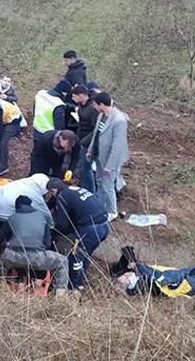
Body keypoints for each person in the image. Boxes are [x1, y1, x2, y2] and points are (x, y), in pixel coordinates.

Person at [0, 195, 70, 296]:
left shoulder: (11, 218)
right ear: (30, 205)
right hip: (37, 258)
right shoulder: (42, 218)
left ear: (16, 207)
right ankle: (60, 297)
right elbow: (47, 244)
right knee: (63, 261)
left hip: (15, 258)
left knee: (2, 262)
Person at [46, 178, 109, 291]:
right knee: (85, 254)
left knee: (76, 257)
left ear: (54, 190)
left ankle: (72, 286)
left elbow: (62, 223)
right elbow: (50, 204)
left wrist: (53, 233)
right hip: (104, 226)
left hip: (90, 229)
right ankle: (80, 282)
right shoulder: (74, 190)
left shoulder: (62, 196)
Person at [88, 92, 129, 220]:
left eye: (95, 104)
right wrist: (91, 150)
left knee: (108, 185)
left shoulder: (119, 120)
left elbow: (118, 147)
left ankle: (112, 211)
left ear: (101, 104)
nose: (94, 106)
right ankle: (100, 206)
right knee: (100, 182)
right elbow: (96, 134)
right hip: (100, 157)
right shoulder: (101, 115)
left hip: (110, 160)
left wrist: (110, 166)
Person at [70, 85, 98, 193]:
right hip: (82, 140)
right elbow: (81, 125)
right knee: (83, 168)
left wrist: (83, 142)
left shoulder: (93, 108)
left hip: (90, 143)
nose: (73, 99)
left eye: (74, 96)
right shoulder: (81, 106)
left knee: (86, 169)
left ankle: (91, 191)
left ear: (81, 96)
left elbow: (95, 130)